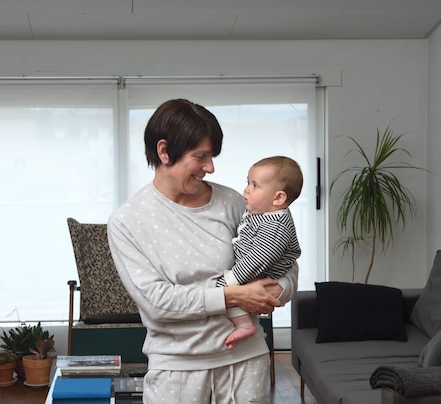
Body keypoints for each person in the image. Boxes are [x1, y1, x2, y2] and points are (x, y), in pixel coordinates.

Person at [107, 98, 298, 403]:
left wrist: (278, 289)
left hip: (245, 362)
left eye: (212, 157)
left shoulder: (234, 202)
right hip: (177, 370)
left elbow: (283, 258)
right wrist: (232, 296)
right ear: (164, 151)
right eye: (201, 157)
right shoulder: (127, 222)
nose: (210, 167)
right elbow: (158, 303)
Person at [217, 156, 303, 350]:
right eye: (247, 182)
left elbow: (258, 258)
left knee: (228, 293)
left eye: (255, 185)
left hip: (265, 277)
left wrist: (229, 282)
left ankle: (244, 325)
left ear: (278, 198)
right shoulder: (263, 214)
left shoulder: (276, 225)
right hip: (257, 275)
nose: (247, 189)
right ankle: (244, 323)